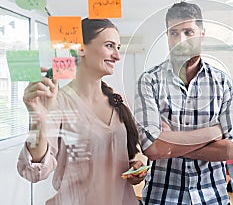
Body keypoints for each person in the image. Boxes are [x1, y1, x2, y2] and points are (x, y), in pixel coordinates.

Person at [17, 18, 145, 205]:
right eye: (110, 46)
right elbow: (34, 172)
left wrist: (136, 166)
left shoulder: (118, 99)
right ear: (80, 49)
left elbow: (131, 151)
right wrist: (38, 119)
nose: (117, 56)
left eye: (118, 47)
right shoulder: (58, 102)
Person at [134, 1, 233, 205]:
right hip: (162, 198)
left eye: (188, 32)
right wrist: (214, 133)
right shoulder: (149, 81)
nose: (180, 40)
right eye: (173, 33)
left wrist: (169, 143)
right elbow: (151, 148)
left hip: (212, 198)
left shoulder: (222, 82)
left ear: (202, 33)